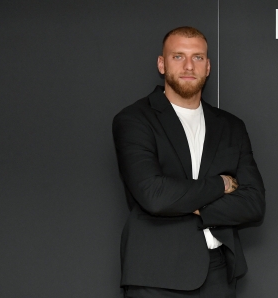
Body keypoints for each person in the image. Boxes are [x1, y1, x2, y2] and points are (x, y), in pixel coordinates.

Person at [112, 26, 265, 297]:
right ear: (162, 64)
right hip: (155, 276)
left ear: (207, 66)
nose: (188, 65)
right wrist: (221, 184)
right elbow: (155, 195)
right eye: (178, 56)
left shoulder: (231, 126)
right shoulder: (135, 120)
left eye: (197, 57)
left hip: (219, 273)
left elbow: (254, 204)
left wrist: (194, 205)